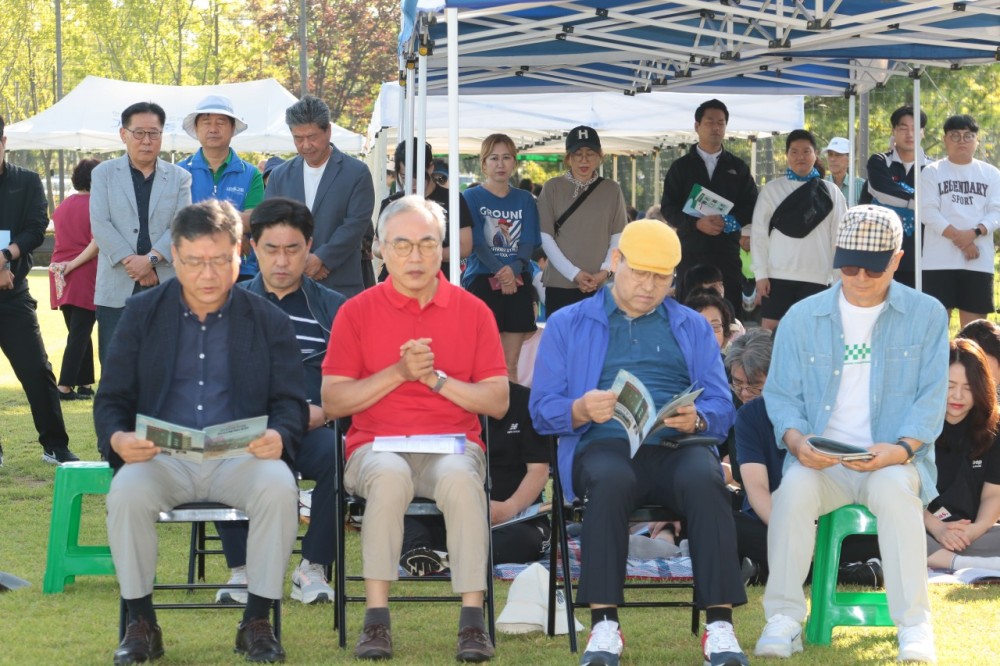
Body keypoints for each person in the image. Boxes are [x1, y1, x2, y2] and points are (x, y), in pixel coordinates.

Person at [94, 199, 307, 664]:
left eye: (219, 260)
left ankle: (257, 620)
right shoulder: (142, 312)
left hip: (241, 456)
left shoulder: (267, 319)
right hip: (162, 458)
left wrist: (280, 434)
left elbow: (290, 401)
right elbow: (111, 399)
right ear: (174, 255)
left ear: (239, 254)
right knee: (126, 493)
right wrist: (119, 439)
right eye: (193, 262)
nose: (207, 274)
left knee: (278, 486)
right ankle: (141, 622)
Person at [530, 218, 749, 666]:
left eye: (661, 278)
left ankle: (720, 626)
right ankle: (605, 625)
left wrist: (698, 418)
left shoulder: (691, 326)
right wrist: (579, 409)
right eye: (640, 273)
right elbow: (541, 409)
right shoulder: (568, 323)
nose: (649, 287)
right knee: (609, 481)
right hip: (602, 443)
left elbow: (722, 404)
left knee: (708, 481)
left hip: (677, 446)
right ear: (616, 261)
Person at [755, 204, 949, 663]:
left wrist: (901, 450)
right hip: (821, 461)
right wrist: (797, 442)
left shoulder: (927, 314)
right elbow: (780, 396)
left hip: (894, 458)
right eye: (849, 266)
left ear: (897, 260)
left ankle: (914, 625)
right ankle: (783, 618)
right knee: (793, 491)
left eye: (873, 268)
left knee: (895, 492)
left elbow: (931, 399)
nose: (859, 277)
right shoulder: (801, 317)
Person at [322, 195, 508, 662]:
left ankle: (472, 620)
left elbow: (498, 402)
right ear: (381, 249)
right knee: (388, 477)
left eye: (427, 244)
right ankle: (376, 618)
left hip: (453, 445)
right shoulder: (356, 311)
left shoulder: (473, 311)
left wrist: (437, 381)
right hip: (375, 446)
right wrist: (399, 373)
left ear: (442, 248)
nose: (415, 257)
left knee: (462, 480)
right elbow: (333, 401)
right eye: (401, 245)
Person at [209, 197, 344, 606]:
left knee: (339, 455)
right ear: (252, 247)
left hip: (312, 425)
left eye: (292, 249)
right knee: (217, 448)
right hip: (249, 427)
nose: (282, 261)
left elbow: (354, 380)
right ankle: (244, 570)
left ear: (309, 247)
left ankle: (312, 567)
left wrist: (327, 410)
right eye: (271, 249)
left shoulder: (335, 308)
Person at [400, 382, 550, 572]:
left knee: (520, 540)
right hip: (442, 512)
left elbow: (538, 471)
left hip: (509, 518)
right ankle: (426, 554)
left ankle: (443, 556)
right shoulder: (436, 397)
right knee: (401, 520)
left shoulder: (527, 401)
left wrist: (508, 508)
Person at [89, 101, 192, 364]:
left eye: (153, 133)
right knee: (116, 367)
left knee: (166, 366)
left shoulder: (180, 177)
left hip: (165, 284)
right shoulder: (103, 174)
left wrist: (151, 260)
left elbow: (181, 225)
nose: (147, 140)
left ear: (162, 135)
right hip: (116, 287)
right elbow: (100, 223)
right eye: (139, 133)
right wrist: (133, 263)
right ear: (123, 134)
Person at [0, 114, 77, 464]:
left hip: (13, 294)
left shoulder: (27, 181)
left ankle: (55, 445)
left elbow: (35, 228)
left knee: (36, 369)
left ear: (4, 142)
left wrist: (5, 258)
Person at [264, 94, 375, 297]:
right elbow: (270, 224)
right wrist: (300, 261)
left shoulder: (356, 173)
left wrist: (323, 259)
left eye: (312, 137)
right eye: (298, 138)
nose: (306, 145)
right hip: (290, 285)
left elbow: (355, 225)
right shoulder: (280, 176)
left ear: (328, 131)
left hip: (341, 284)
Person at [661, 99, 758, 319]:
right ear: (697, 126)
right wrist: (696, 223)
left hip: (727, 253)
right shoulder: (681, 167)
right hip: (691, 252)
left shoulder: (738, 167)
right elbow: (668, 207)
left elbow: (752, 204)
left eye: (721, 123)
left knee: (728, 314)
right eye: (710, 122)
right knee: (688, 314)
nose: (716, 128)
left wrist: (729, 222)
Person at [463, 134, 541, 381]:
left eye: (506, 158)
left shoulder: (525, 199)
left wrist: (513, 270)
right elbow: (476, 242)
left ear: (514, 162)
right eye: (494, 158)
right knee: (485, 362)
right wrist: (502, 272)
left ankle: (510, 407)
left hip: (518, 279)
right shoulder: (471, 197)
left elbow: (528, 241)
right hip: (482, 280)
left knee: (510, 363)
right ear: (483, 164)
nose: (500, 164)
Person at [751, 129, 847, 331]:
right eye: (794, 152)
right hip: (777, 276)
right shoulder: (771, 190)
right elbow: (759, 235)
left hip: (818, 277)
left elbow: (839, 238)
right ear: (786, 155)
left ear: (816, 154)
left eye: (806, 151)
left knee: (813, 332)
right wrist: (761, 274)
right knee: (771, 331)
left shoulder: (832, 192)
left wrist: (838, 279)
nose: (800, 157)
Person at [924, 339, 1000, 571]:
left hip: (969, 533)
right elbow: (901, 496)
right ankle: (964, 563)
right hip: (922, 525)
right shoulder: (915, 425)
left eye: (968, 388)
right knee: (892, 531)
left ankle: (943, 557)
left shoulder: (993, 429)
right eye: (949, 386)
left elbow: (993, 494)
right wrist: (938, 528)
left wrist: (975, 529)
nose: (957, 396)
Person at [919, 114, 1000, 328]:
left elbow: (996, 212)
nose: (962, 140)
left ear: (977, 140)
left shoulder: (992, 174)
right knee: (934, 331)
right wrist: (962, 239)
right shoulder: (931, 172)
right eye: (955, 135)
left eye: (968, 135)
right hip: (937, 262)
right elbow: (928, 212)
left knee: (975, 334)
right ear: (945, 139)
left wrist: (974, 233)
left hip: (978, 262)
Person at [537, 126, 627, 316]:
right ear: (568, 158)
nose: (584, 160)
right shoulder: (552, 188)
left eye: (590, 153)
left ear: (599, 157)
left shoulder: (612, 189)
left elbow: (618, 237)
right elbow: (545, 236)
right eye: (578, 154)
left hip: (601, 286)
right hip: (560, 285)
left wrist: (605, 272)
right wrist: (573, 273)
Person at [177, 95, 264, 283]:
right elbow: (176, 220)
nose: (213, 129)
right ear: (196, 128)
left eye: (221, 122)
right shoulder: (180, 172)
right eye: (206, 122)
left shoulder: (251, 174)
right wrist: (234, 233)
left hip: (242, 270)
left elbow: (254, 219)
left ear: (232, 128)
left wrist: (200, 220)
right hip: (192, 267)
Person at [376, 139, 473, 282]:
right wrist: (391, 251)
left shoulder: (453, 199)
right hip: (395, 280)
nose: (412, 183)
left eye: (417, 176)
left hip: (439, 280)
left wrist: (426, 253)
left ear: (430, 167)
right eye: (404, 177)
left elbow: (465, 246)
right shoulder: (391, 203)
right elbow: (376, 244)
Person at [48, 157, 100, 401]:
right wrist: (74, 265)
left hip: (58, 272)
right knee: (79, 333)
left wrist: (67, 266)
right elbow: (96, 243)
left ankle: (85, 384)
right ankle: (64, 386)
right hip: (82, 271)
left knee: (79, 329)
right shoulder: (96, 205)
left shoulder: (63, 206)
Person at [864, 105, 928, 288]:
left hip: (921, 256)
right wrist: (920, 201)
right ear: (893, 131)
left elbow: (937, 203)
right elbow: (883, 193)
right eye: (903, 128)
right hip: (881, 253)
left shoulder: (933, 168)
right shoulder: (879, 161)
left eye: (915, 128)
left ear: (923, 132)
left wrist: (904, 199)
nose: (910, 134)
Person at [822, 137, 865, 206]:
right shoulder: (820, 185)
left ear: (849, 159)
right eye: (830, 155)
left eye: (838, 155)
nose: (832, 159)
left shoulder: (861, 186)